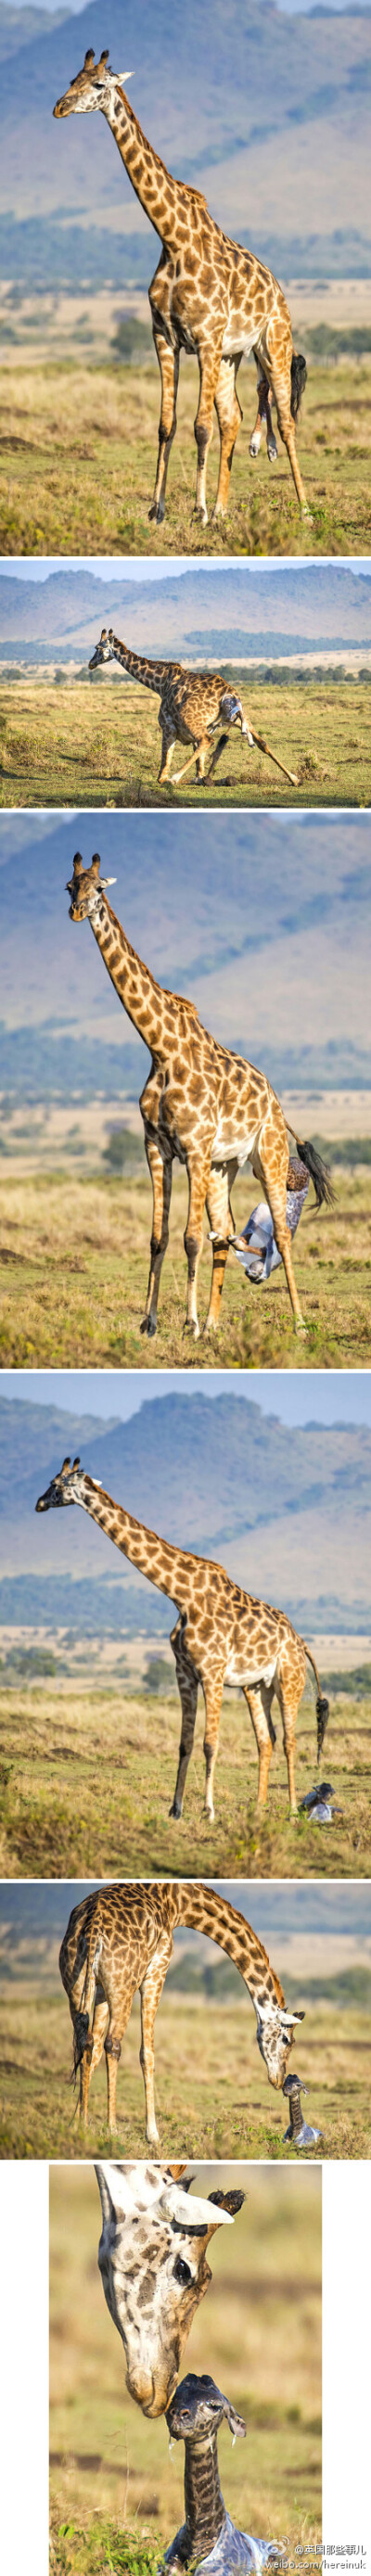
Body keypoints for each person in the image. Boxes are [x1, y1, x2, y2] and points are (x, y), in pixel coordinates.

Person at [231, 1155, 310, 1285]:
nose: (253, 1269)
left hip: (278, 1215)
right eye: (257, 1272)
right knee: (263, 1211)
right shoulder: (273, 1260)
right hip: (285, 1219)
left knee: (262, 1209)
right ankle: (243, 1241)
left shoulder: (259, 1261)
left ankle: (243, 1239)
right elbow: (290, 1181)